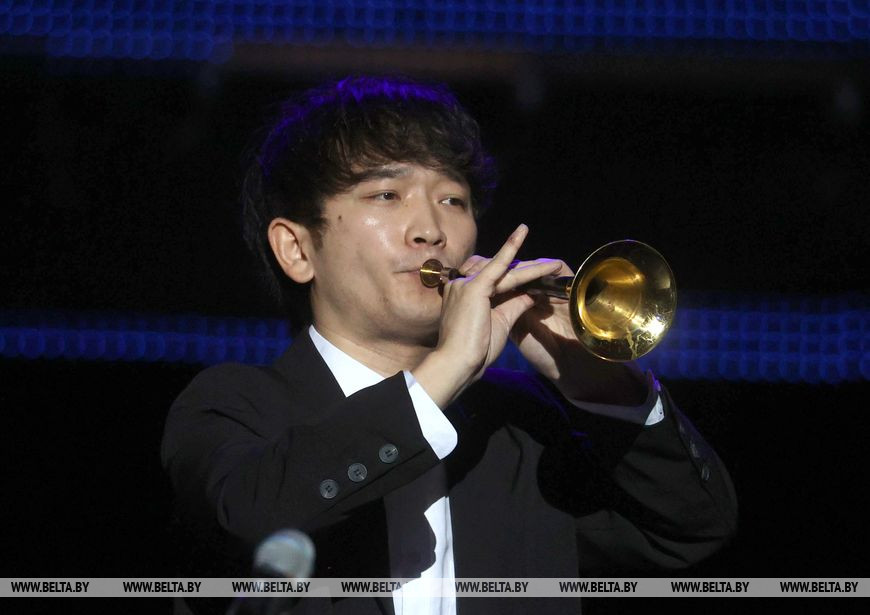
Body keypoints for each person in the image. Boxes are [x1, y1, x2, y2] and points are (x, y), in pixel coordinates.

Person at [161, 75, 737, 615]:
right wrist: (444, 372)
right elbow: (250, 517)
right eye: (387, 195)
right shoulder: (232, 405)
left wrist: (601, 386)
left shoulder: (523, 426)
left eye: (452, 200)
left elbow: (689, 530)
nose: (431, 231)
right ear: (297, 249)